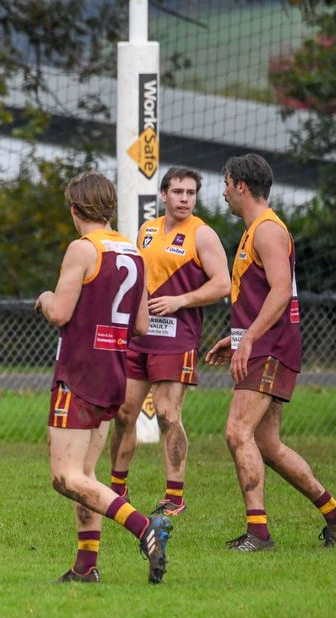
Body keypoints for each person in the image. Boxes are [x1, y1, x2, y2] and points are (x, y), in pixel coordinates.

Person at [205, 153, 336, 552]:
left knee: (237, 432)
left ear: (241, 185)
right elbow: (261, 296)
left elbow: (279, 291)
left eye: (225, 183)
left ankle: (259, 534)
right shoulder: (254, 229)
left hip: (271, 348)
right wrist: (237, 336)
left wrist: (252, 339)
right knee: (268, 444)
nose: (222, 192)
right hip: (263, 344)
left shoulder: (268, 230)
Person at [35, 171, 171, 584]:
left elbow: (59, 312)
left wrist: (43, 300)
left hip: (79, 373)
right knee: (88, 476)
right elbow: (143, 325)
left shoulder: (82, 249)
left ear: (75, 210)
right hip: (114, 371)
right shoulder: (133, 252)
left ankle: (145, 527)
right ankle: (86, 565)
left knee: (66, 477)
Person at [108, 167, 230, 516]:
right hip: (140, 336)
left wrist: (181, 300)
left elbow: (223, 284)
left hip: (177, 339)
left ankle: (174, 497)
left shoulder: (202, 235)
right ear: (163, 195)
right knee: (123, 413)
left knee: (166, 413)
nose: (184, 199)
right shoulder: (147, 231)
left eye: (191, 193)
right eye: (178, 192)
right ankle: (118, 490)